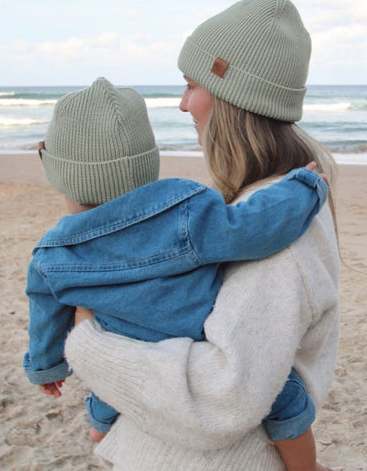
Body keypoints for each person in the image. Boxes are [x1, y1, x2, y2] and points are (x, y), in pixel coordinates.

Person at [65, 0, 340, 471]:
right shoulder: (260, 210)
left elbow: (223, 395)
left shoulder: (278, 231)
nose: (182, 103)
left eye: (192, 85)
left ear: (234, 97)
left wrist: (87, 342)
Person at [23, 77, 329, 464]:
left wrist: (46, 366)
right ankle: (306, 466)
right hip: (192, 341)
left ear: (58, 174)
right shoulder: (184, 213)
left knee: (108, 383)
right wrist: (302, 189)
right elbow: (252, 229)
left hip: (123, 353)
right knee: (285, 394)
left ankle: (100, 426)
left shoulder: (51, 255)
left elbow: (45, 315)